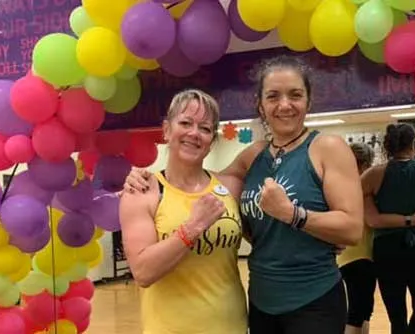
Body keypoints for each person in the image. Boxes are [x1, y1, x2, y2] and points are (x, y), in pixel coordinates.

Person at [124, 55, 364, 334]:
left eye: (295, 95)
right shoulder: (253, 156)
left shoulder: (328, 147)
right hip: (261, 302)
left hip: (312, 298)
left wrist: (294, 215)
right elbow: (205, 183)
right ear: (260, 105)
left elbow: (352, 229)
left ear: (308, 102)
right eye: (273, 96)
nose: (284, 104)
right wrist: (141, 177)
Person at [119, 89, 248, 334]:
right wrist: (192, 228)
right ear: (167, 130)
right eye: (185, 122)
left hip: (233, 326)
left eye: (205, 128)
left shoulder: (229, 187)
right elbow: (143, 272)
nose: (194, 133)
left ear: (212, 141)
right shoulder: (144, 191)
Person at [361, 123, 415, 334]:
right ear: (414, 145)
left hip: (387, 249)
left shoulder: (372, 176)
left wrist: (405, 219)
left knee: (396, 315)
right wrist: (413, 219)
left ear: (387, 147)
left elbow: (373, 220)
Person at [337, 143, 377, 334]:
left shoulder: (337, 187)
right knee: (357, 313)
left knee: (362, 311)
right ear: (364, 164)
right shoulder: (363, 187)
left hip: (346, 256)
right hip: (361, 256)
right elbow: (373, 219)